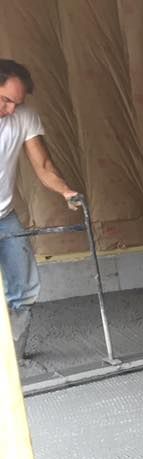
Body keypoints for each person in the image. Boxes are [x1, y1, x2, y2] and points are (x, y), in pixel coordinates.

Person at [0, 59, 78, 360]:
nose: (11, 110)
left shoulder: (24, 117)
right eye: (5, 100)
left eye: (16, 103)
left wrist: (66, 191)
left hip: (5, 216)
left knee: (24, 286)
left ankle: (14, 358)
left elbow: (43, 165)